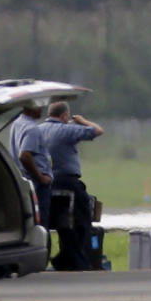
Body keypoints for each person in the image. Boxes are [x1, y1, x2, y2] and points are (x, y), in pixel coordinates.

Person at [44, 100, 104, 271]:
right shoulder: (66, 129)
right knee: (82, 221)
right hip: (68, 182)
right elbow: (98, 130)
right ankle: (73, 260)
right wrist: (82, 121)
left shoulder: (38, 131)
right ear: (64, 116)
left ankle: (65, 258)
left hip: (46, 182)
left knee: (60, 223)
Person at [9, 99, 53, 230]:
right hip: (37, 183)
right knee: (41, 224)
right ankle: (43, 249)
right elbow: (25, 155)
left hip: (22, 179)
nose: (42, 109)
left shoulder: (17, 123)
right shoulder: (32, 129)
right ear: (32, 108)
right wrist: (41, 177)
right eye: (39, 106)